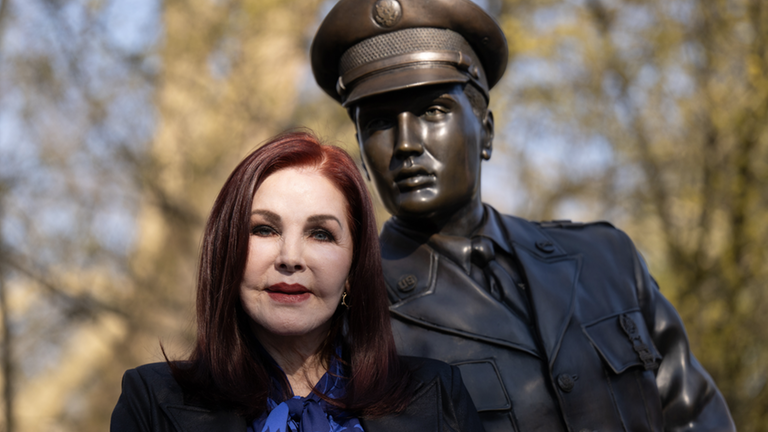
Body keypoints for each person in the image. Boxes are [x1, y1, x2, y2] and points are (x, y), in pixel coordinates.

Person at [310, 0, 737, 431]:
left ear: (487, 133)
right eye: (380, 123)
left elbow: (695, 416)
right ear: (362, 156)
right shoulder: (350, 314)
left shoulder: (607, 261)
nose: (405, 144)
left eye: (432, 110)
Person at [110, 131, 484, 432]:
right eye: (264, 229)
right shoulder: (152, 400)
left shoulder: (437, 395)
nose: (290, 257)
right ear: (227, 253)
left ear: (354, 268)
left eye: (320, 234)